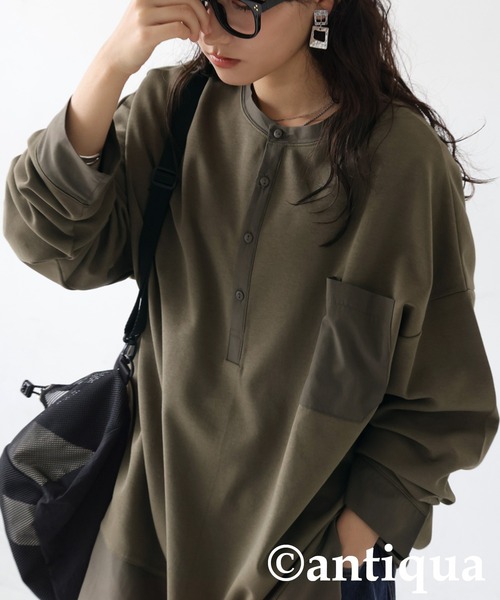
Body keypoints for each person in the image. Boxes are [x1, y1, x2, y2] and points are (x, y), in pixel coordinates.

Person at [3, 0, 498, 598]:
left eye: (243, 3)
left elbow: (445, 400)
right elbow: (48, 238)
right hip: (140, 548)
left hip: (305, 571)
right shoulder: (175, 110)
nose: (210, 28)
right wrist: (111, 63)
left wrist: (353, 542)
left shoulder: (402, 163)